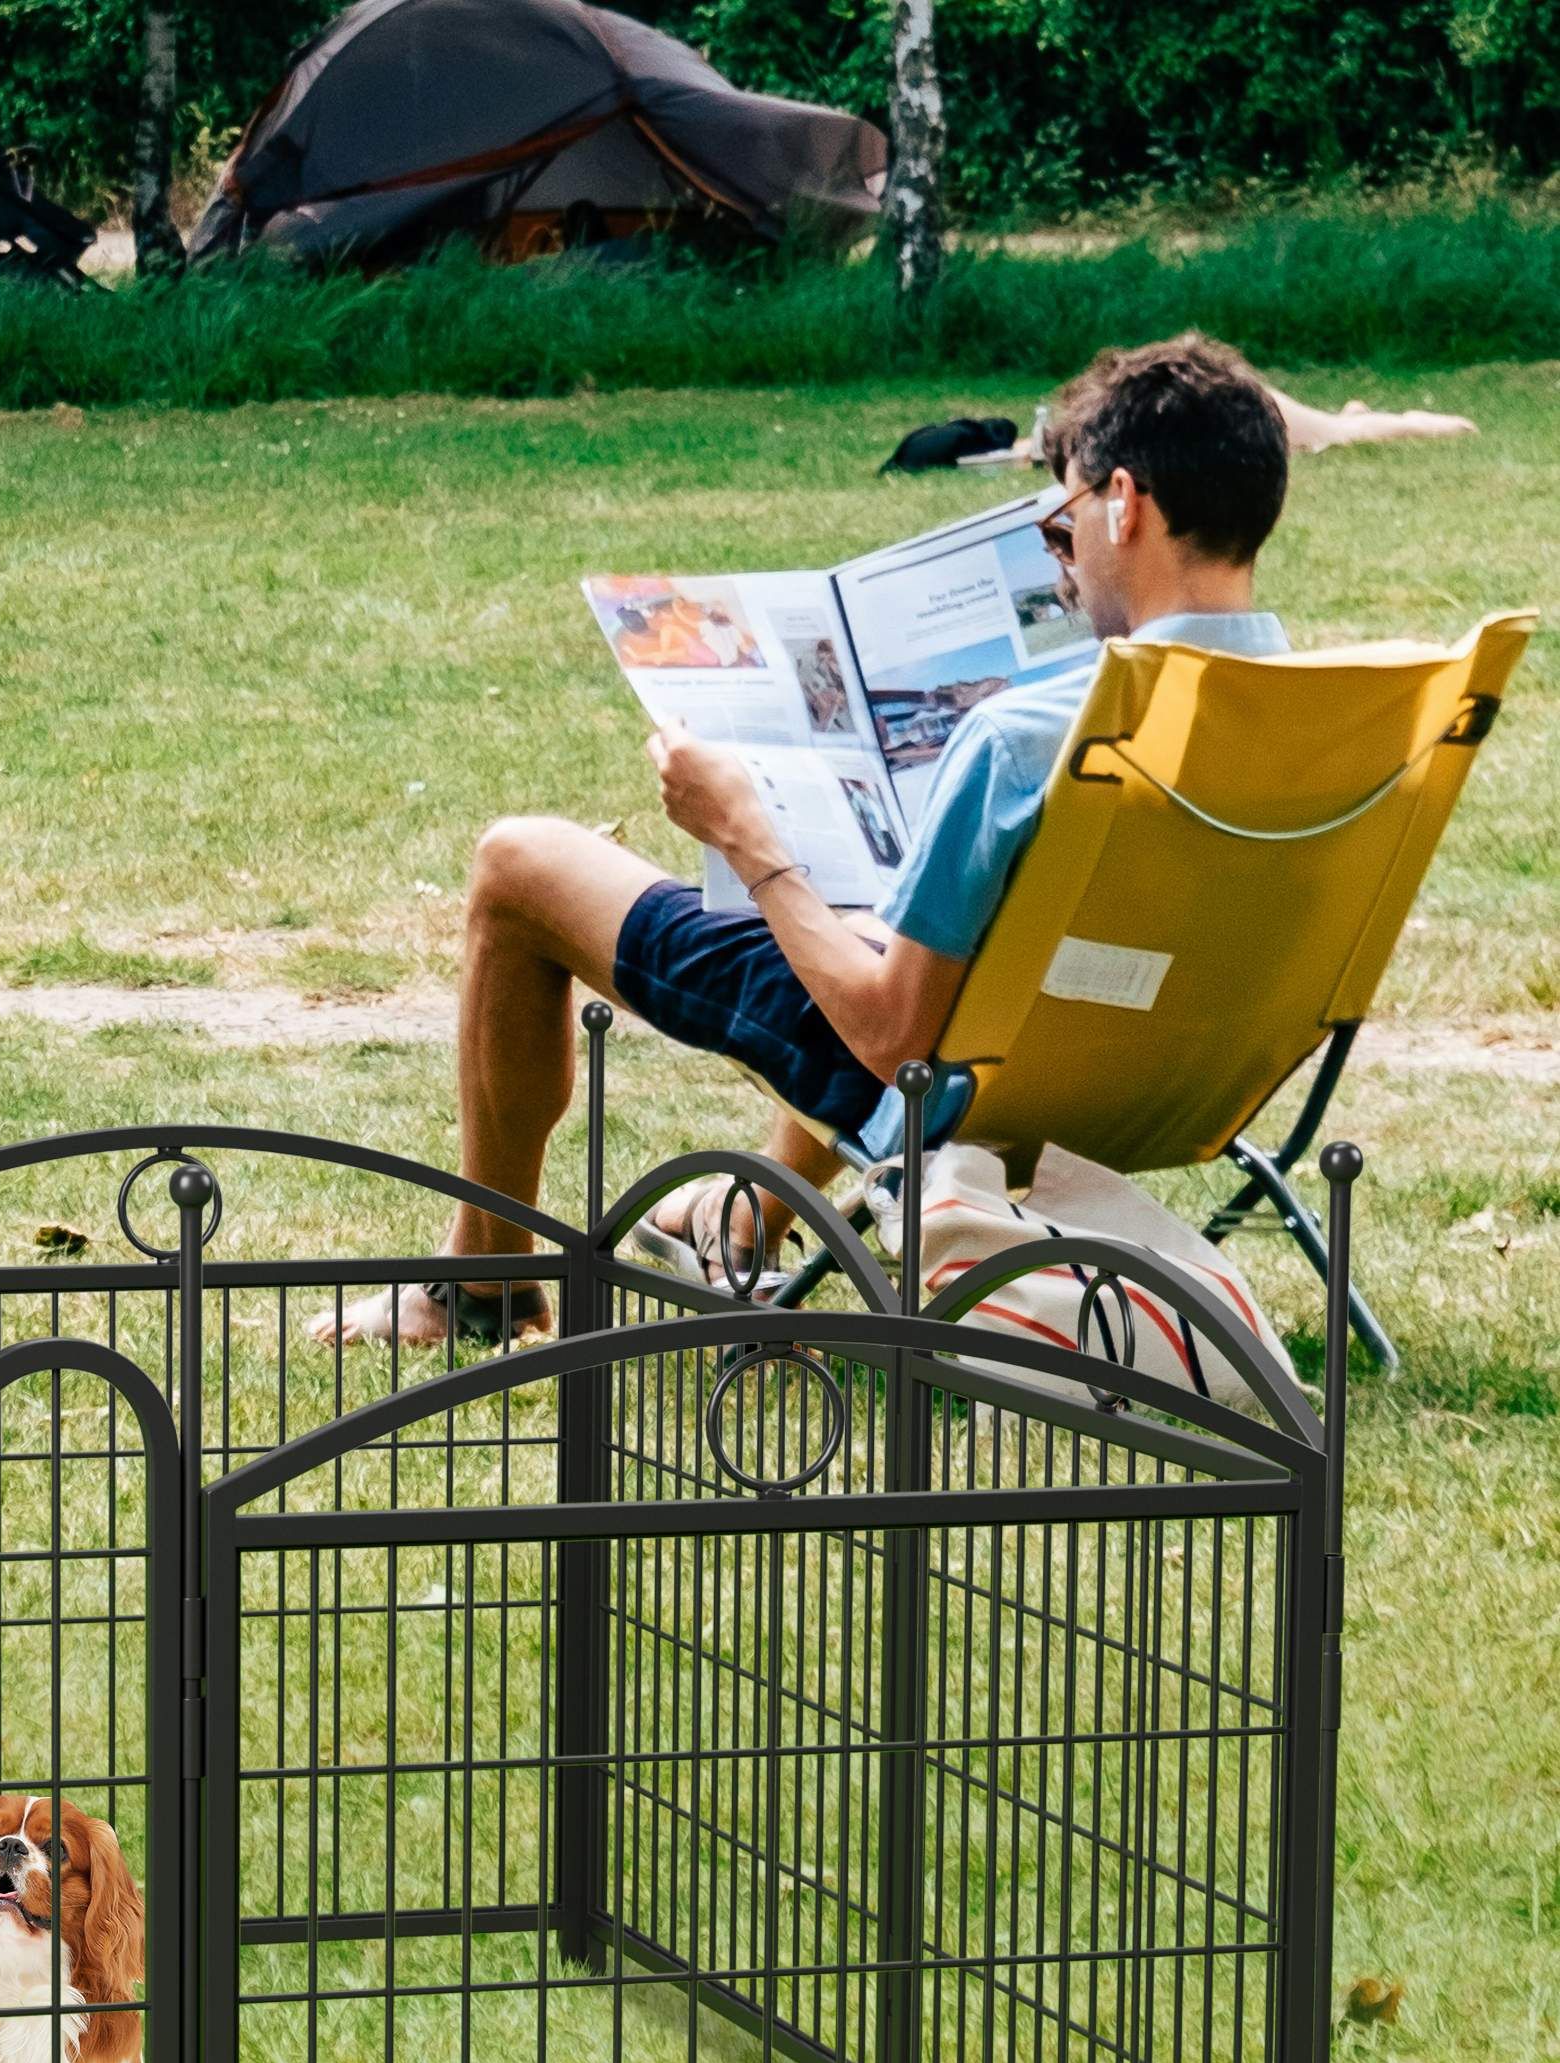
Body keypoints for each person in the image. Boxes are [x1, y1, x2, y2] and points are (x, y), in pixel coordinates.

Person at [318, 332, 1298, 1345]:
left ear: (1123, 503)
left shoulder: (1020, 739)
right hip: (1178, 1082)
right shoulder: (1329, 717)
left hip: (955, 1084)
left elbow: (890, 1036)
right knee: (872, 918)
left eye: (1064, 524)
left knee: (517, 864)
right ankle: (746, 1215)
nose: (1068, 558)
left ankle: (482, 1285)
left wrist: (747, 839)